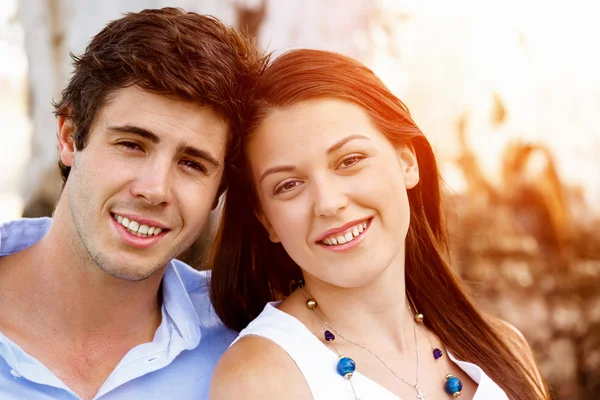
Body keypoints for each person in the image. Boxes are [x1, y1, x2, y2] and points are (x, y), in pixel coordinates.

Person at [209, 49, 550, 399]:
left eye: (350, 160)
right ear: (268, 220)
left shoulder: (503, 348)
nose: (328, 203)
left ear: (407, 162)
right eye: (289, 185)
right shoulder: (261, 379)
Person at [0, 8, 264, 400]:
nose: (155, 189)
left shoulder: (250, 344)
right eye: (131, 144)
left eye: (192, 163)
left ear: (219, 189)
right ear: (70, 138)